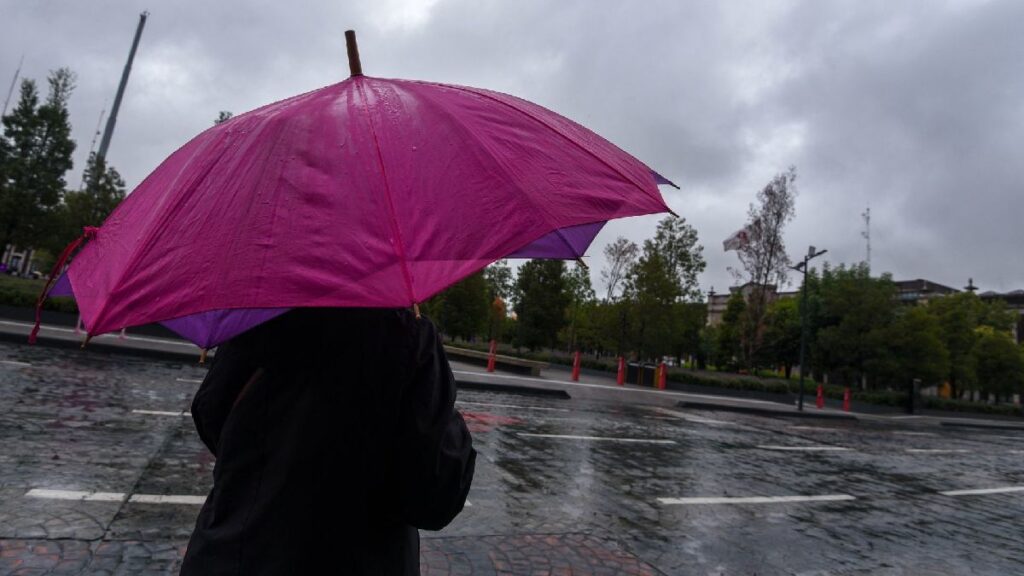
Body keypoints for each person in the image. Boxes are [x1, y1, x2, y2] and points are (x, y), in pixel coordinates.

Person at [180, 307, 476, 575]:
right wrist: (441, 408)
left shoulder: (256, 316)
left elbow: (209, 415)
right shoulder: (404, 333)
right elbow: (437, 494)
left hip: (232, 554)